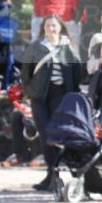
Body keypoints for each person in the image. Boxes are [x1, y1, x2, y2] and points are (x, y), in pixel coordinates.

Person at [20, 15, 83, 192]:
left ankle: (68, 172)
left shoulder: (68, 48)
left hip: (59, 94)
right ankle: (52, 174)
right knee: (44, 133)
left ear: (60, 28)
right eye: (48, 26)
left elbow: (77, 72)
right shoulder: (35, 47)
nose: (51, 29)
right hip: (39, 96)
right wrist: (29, 90)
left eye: (54, 26)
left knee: (58, 135)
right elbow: (26, 73)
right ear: (43, 28)